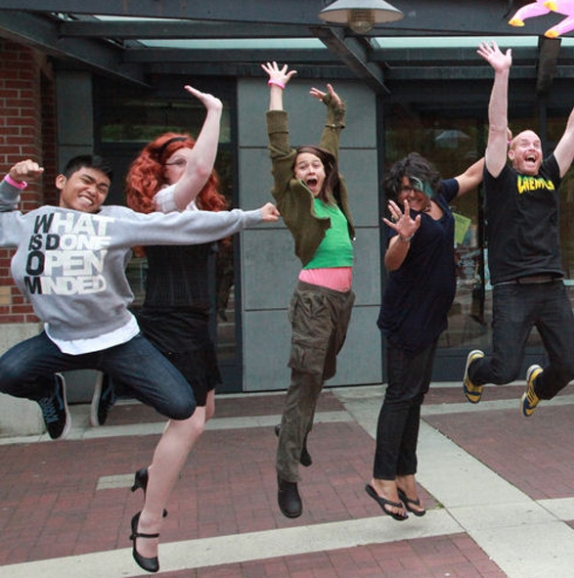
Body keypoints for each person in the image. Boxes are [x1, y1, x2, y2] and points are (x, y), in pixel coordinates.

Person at [0, 155, 275, 573]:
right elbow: (3, 216)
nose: (92, 192)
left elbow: (180, 227)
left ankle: (116, 380)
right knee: (8, 373)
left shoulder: (114, 221)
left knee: (183, 406)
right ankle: (49, 391)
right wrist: (11, 184)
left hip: (116, 340)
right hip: (60, 341)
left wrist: (249, 217)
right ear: (60, 181)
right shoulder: (33, 221)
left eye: (100, 189)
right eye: (85, 182)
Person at [462, 41, 574, 416]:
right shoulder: (500, 178)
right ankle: (475, 372)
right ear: (512, 153)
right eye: (524, 143)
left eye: (537, 143)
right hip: (513, 288)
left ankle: (537, 388)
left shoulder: (548, 174)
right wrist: (502, 73)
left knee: (569, 367)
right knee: (502, 368)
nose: (532, 147)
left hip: (551, 286)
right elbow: (497, 128)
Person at [123, 86, 237, 570]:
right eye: (178, 162)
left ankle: (154, 472)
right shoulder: (165, 204)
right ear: (159, 173)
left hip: (194, 321)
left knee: (204, 411)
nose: (189, 166)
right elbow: (202, 170)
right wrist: (214, 111)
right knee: (187, 421)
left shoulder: (196, 212)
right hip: (168, 322)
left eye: (189, 160)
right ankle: (147, 526)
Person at [262, 62, 357, 519]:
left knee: (321, 374)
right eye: (303, 166)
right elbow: (279, 150)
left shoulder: (332, 197)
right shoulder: (293, 198)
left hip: (342, 302)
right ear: (295, 176)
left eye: (315, 164)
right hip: (314, 301)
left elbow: (331, 143)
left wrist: (335, 111)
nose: (310, 168)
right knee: (305, 381)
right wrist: (277, 91)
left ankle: (291, 433)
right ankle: (287, 477)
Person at [369, 152, 483, 520]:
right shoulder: (402, 217)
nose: (409, 194)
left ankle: (405, 474)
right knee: (400, 396)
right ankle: (382, 478)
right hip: (407, 319)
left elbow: (470, 174)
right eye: (402, 189)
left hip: (431, 318)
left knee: (415, 397)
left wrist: (502, 145)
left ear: (427, 182)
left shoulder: (440, 197)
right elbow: (392, 261)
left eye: (414, 186)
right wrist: (402, 237)